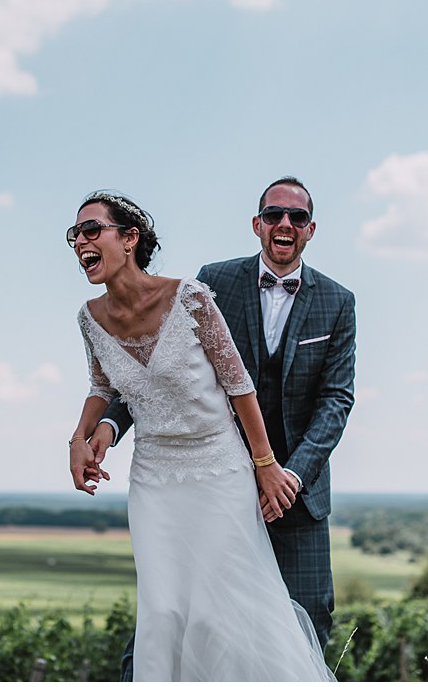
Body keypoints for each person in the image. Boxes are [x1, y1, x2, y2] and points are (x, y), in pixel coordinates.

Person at [82, 177, 357, 675]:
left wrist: (288, 475)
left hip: (296, 493)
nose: (284, 224)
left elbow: (336, 400)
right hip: (211, 482)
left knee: (306, 622)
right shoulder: (215, 281)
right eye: (273, 215)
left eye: (296, 217)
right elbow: (155, 368)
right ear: (257, 224)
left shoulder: (338, 301)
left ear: (310, 229)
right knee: (177, 620)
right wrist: (109, 424)